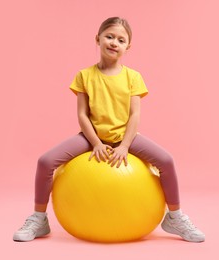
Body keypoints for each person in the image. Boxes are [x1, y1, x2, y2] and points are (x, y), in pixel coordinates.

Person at [13, 17, 205, 243]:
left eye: (121, 40)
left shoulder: (133, 77)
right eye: (109, 36)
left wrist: (124, 145)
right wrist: (95, 143)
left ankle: (175, 217)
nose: (114, 42)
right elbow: (83, 115)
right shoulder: (84, 76)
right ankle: (39, 218)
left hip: (127, 138)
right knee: (45, 162)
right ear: (98, 39)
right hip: (90, 137)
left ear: (127, 47)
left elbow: (135, 115)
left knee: (166, 160)